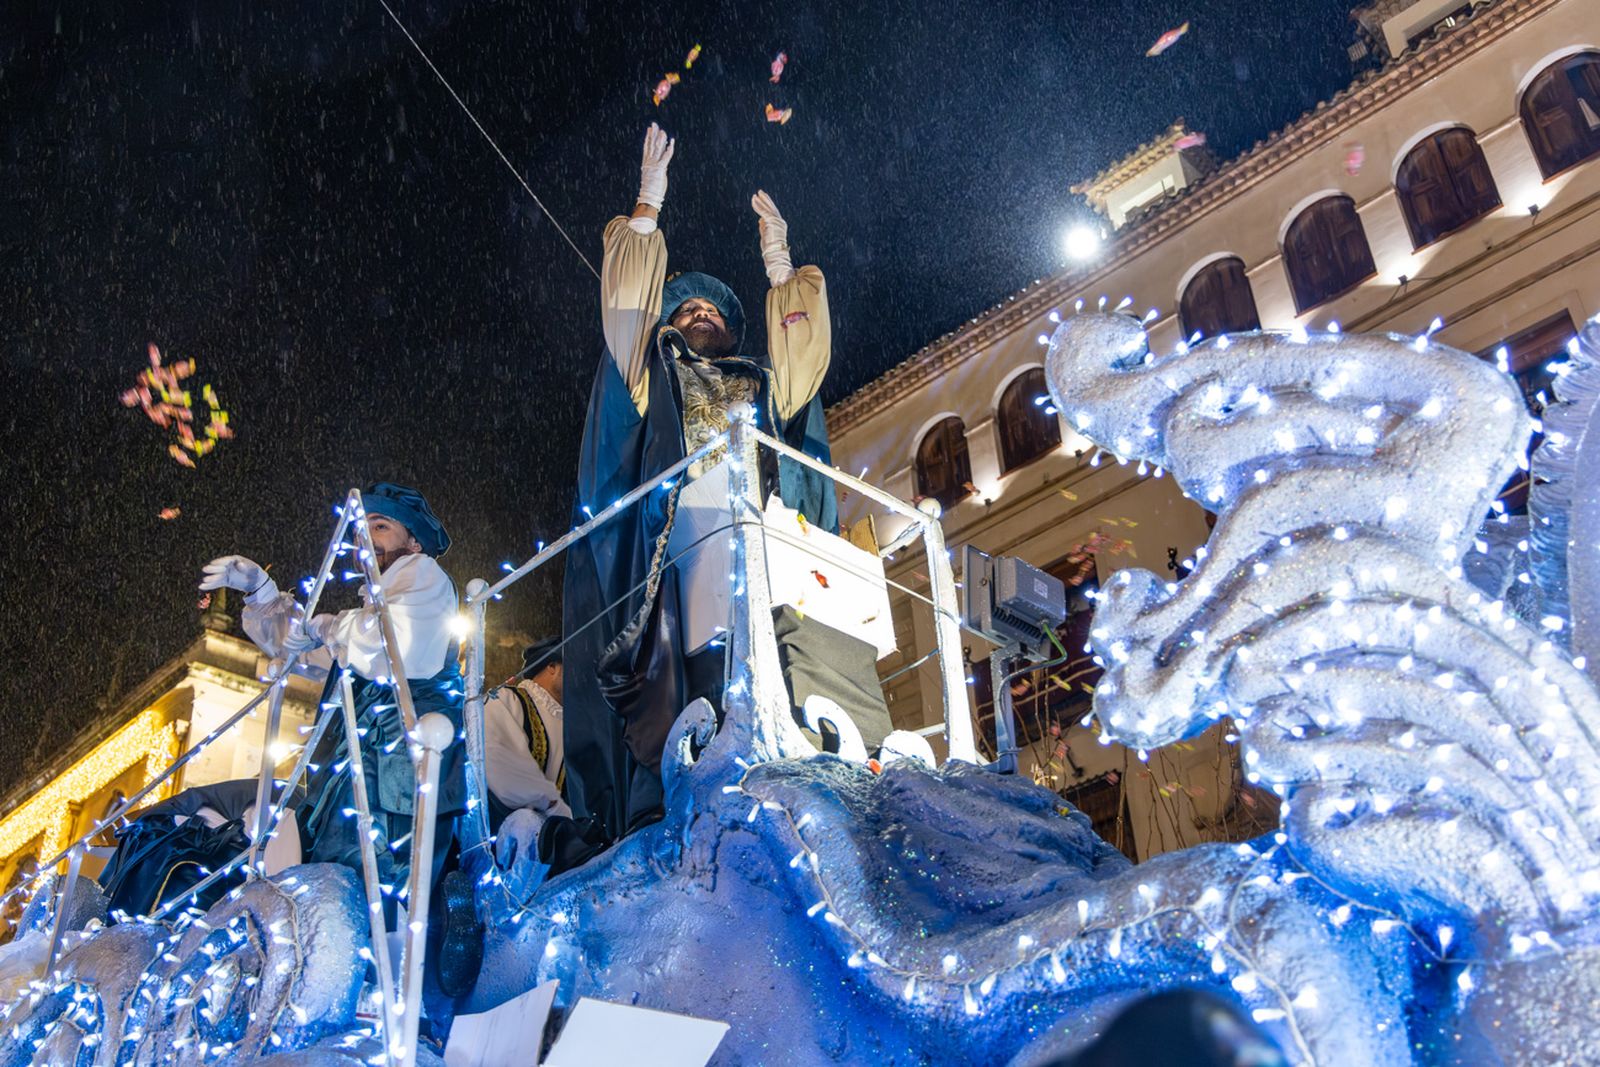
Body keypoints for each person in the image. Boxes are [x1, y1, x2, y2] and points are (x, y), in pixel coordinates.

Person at [563, 123, 838, 841]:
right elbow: (625, 324)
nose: (700, 317)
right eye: (686, 310)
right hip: (676, 545)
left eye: (713, 313)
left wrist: (781, 271)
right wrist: (647, 209)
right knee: (687, 673)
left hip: (757, 542)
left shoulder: (757, 383)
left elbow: (803, 374)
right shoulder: (652, 379)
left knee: (760, 654)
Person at [198, 482, 465, 918]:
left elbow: (396, 646)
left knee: (374, 896)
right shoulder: (369, 609)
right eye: (361, 531)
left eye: (381, 526)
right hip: (361, 772)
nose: (367, 539)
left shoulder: (422, 574)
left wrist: (326, 626)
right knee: (341, 893)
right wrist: (263, 592)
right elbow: (303, 652)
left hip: (397, 774)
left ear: (413, 540)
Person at [483, 636, 570, 833]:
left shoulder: (573, 725)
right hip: (501, 835)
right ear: (552, 666)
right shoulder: (506, 700)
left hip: (552, 840)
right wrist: (557, 809)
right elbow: (502, 768)